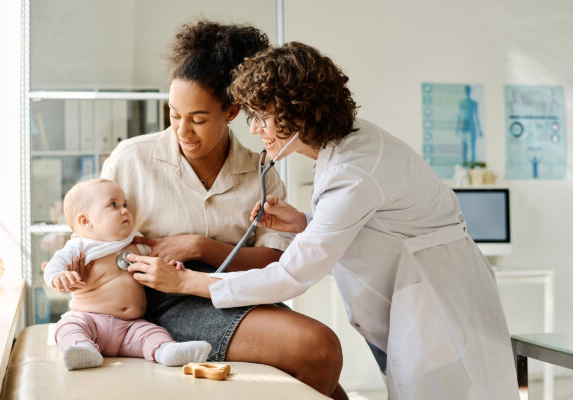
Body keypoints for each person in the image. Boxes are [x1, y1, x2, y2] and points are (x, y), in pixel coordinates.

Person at [125, 42, 520, 400]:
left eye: (262, 117)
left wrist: (187, 281)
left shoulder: (353, 168)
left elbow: (292, 276)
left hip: (437, 295)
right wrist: (304, 223)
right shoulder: (345, 147)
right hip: (414, 290)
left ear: (298, 113)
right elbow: (367, 222)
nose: (254, 129)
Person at [99, 22, 346, 399]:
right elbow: (93, 242)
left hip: (236, 289)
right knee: (317, 347)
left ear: (231, 111)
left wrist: (199, 246)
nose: (183, 130)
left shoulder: (259, 171)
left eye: (198, 119)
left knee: (326, 374)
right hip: (163, 300)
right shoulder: (131, 160)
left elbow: (272, 261)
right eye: (174, 115)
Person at [44, 178, 211, 371]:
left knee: (153, 332)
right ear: (85, 220)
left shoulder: (136, 241)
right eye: (113, 205)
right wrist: (58, 276)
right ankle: (82, 348)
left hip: (131, 325)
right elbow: (54, 265)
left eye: (125, 204)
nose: (124, 210)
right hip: (90, 319)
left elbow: (159, 262)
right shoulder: (79, 246)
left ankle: (167, 351)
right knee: (68, 326)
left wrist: (172, 267)